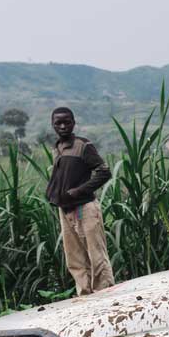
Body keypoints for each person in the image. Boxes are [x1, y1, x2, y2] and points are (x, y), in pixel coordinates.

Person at [45, 107, 115, 295]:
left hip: (85, 207)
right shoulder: (57, 147)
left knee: (95, 253)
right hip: (65, 209)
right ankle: (84, 294)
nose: (62, 126)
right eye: (58, 123)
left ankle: (105, 293)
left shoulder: (83, 145)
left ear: (73, 123)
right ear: (52, 125)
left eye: (66, 122)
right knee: (74, 257)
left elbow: (104, 172)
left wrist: (79, 191)